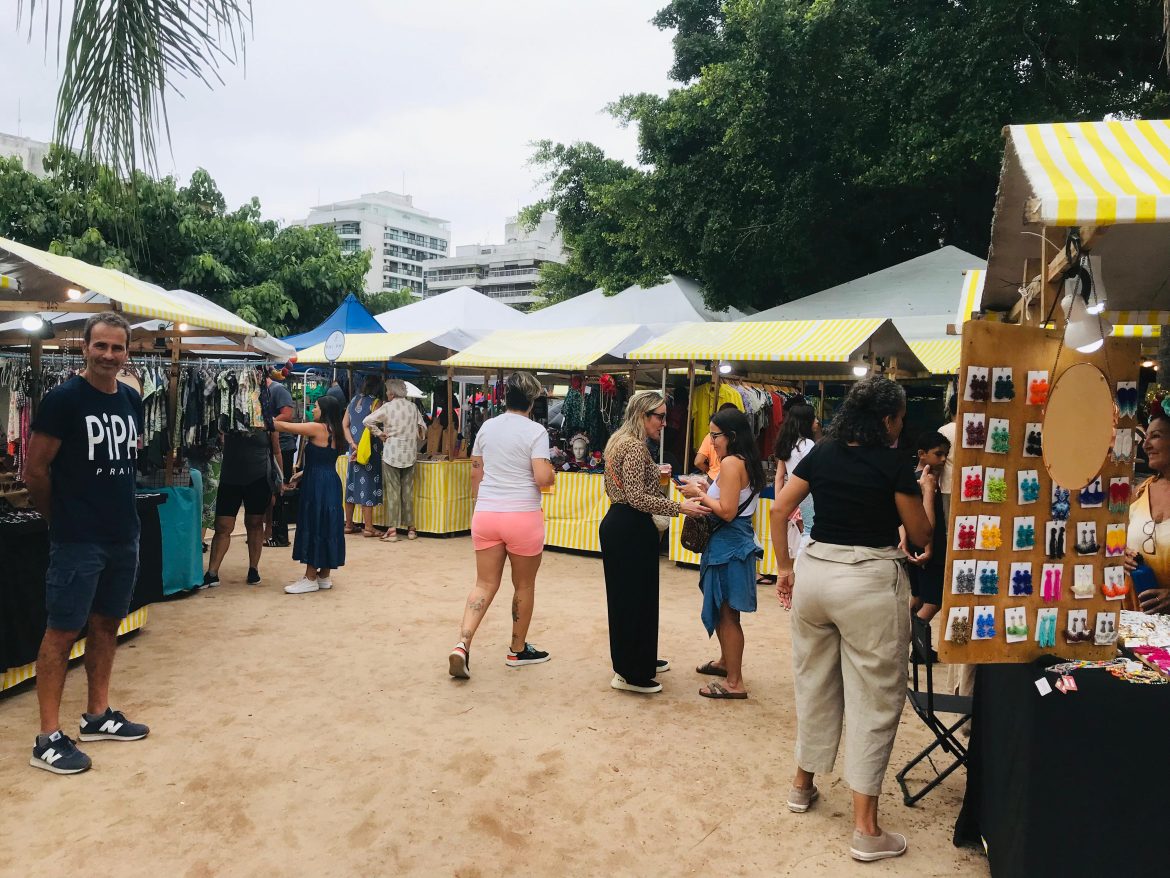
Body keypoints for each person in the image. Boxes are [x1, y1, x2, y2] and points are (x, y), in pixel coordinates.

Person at [769, 376, 933, 862]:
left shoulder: (823, 452)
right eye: (900, 418)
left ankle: (803, 785)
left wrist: (784, 566)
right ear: (887, 420)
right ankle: (866, 829)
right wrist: (923, 488)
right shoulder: (893, 462)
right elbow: (921, 534)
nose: (901, 426)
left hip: (816, 573)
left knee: (814, 682)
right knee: (875, 698)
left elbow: (779, 508)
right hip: (867, 582)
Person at [24, 312, 149, 774]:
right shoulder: (63, 400)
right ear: (85, 348)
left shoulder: (130, 401)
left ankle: (97, 715)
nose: (109, 356)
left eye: (117, 348)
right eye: (101, 347)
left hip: (123, 534)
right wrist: (61, 519)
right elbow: (35, 471)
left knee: (105, 626)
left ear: (127, 353)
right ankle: (47, 738)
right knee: (60, 634)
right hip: (79, 539)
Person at [448, 372, 555, 679]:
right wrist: (551, 473)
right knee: (523, 585)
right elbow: (541, 477)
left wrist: (480, 506)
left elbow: (476, 473)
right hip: (522, 515)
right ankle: (517, 650)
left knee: (483, 584)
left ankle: (462, 643)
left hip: (487, 513)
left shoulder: (487, 427)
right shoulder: (536, 432)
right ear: (532, 401)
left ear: (505, 397)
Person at [600, 391, 706, 694]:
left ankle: (638, 659)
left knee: (632, 599)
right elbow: (636, 497)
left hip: (622, 525)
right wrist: (680, 508)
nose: (664, 423)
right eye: (659, 416)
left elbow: (633, 490)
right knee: (634, 600)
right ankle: (631, 671)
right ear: (642, 415)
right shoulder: (633, 447)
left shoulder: (619, 441)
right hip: (629, 527)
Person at [680, 407, 766, 699]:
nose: (711, 441)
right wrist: (707, 488)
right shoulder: (746, 461)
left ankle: (734, 682)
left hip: (728, 545)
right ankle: (727, 663)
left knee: (727, 615)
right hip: (735, 543)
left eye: (714, 435)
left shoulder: (730, 463)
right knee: (725, 611)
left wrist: (700, 495)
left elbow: (727, 511)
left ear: (730, 436)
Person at [275, 396, 348, 594]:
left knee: (314, 522)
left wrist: (266, 420)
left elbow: (287, 428)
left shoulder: (317, 428)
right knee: (328, 524)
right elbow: (325, 459)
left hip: (317, 483)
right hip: (331, 481)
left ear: (324, 410)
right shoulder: (337, 431)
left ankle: (309, 577)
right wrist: (303, 473)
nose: (312, 410)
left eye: (315, 407)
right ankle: (324, 574)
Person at [203, 424, 278, 588]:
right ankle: (212, 572)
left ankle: (253, 569)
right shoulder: (228, 419)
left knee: (254, 523)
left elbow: (276, 451)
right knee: (223, 526)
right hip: (230, 479)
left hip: (259, 479)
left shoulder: (267, 424)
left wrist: (280, 481)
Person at [759, 399, 819, 586]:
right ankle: (803, 574)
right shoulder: (808, 444)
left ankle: (796, 574)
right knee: (808, 533)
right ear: (806, 422)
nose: (817, 421)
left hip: (790, 497)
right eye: (814, 418)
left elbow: (779, 477)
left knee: (800, 536)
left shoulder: (786, 444)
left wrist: (780, 502)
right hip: (807, 496)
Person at [363, 379, 425, 542]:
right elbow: (422, 428)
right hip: (410, 454)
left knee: (393, 491)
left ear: (392, 393)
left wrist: (379, 434)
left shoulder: (388, 407)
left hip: (391, 454)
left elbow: (367, 421)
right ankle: (411, 529)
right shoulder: (413, 407)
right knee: (407, 491)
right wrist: (413, 438)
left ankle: (392, 530)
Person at [1125, 407, 1170, 613]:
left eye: (1156, 436)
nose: (1146, 445)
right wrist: (1119, 555)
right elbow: (1113, 542)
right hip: (1132, 619)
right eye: (1146, 437)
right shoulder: (1139, 493)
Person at [904, 430, 949, 626]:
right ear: (922, 453)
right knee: (933, 602)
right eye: (938, 454)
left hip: (915, 546)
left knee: (919, 598)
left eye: (946, 454)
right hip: (927, 549)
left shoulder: (912, 478)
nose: (944, 459)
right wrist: (929, 549)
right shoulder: (925, 482)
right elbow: (925, 517)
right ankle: (909, 642)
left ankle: (909, 644)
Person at [343, 374, 384, 537]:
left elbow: (344, 425)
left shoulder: (352, 401)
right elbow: (374, 424)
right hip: (370, 450)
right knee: (368, 483)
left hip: (352, 449)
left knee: (351, 483)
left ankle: (348, 524)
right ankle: (369, 527)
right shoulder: (376, 403)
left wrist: (352, 443)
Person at [266, 372, 297, 548]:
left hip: (283, 445)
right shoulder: (262, 391)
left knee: (279, 490)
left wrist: (268, 423)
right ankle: (268, 531)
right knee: (270, 492)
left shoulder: (278, 390)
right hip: (270, 445)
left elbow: (287, 415)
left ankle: (279, 535)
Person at [693, 401, 740, 480]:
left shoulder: (709, 436)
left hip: (713, 478)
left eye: (715, 436)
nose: (712, 442)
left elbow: (698, 462)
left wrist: (710, 471)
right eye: (712, 436)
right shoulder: (740, 439)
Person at [937, 393, 958, 521]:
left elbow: (937, 460)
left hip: (948, 484)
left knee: (949, 525)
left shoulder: (944, 430)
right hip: (972, 484)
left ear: (949, 409)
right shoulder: (974, 429)